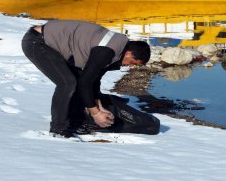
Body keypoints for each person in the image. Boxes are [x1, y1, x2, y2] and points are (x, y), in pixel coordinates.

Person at [21, 20, 150, 138]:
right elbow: (85, 82)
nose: (130, 66)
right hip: (37, 42)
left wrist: (99, 107)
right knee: (68, 83)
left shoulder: (117, 48)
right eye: (133, 63)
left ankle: (74, 122)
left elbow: (94, 80)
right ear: (128, 53)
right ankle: (58, 130)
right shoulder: (107, 50)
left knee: (77, 82)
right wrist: (95, 114)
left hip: (51, 45)